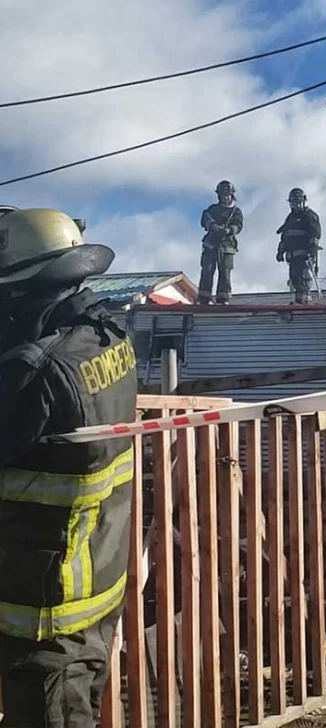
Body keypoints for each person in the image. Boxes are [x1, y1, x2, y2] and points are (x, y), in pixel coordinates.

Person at [0, 207, 138, 727]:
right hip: (95, 582)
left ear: (21, 290)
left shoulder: (36, 372)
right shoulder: (107, 340)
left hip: (43, 609)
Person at [198, 180, 244, 305]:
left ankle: (223, 298)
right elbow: (204, 219)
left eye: (228, 195)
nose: (225, 198)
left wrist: (229, 230)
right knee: (207, 270)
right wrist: (213, 227)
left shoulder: (236, 211)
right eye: (223, 196)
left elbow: (239, 225)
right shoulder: (212, 210)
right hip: (211, 245)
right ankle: (204, 298)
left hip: (227, 246)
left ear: (232, 195)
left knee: (225, 272)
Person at [276, 187, 321, 304]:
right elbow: (285, 236)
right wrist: (280, 251)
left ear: (303, 201)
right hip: (292, 255)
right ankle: (299, 299)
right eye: (293, 203)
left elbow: (315, 234)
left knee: (305, 278)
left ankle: (306, 299)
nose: (296, 205)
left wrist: (312, 251)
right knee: (295, 278)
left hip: (305, 255)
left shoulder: (310, 216)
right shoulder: (290, 218)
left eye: (298, 202)